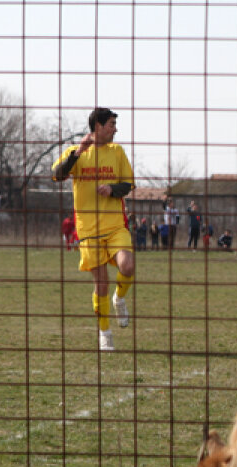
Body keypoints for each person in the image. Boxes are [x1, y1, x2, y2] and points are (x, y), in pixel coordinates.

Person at [51, 107, 136, 351]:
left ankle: (120, 299)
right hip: (88, 230)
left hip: (115, 225)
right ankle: (105, 333)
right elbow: (57, 175)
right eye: (111, 124)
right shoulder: (75, 152)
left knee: (128, 266)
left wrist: (112, 189)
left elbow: (128, 184)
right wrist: (78, 152)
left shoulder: (117, 151)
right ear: (98, 126)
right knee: (101, 283)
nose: (115, 129)